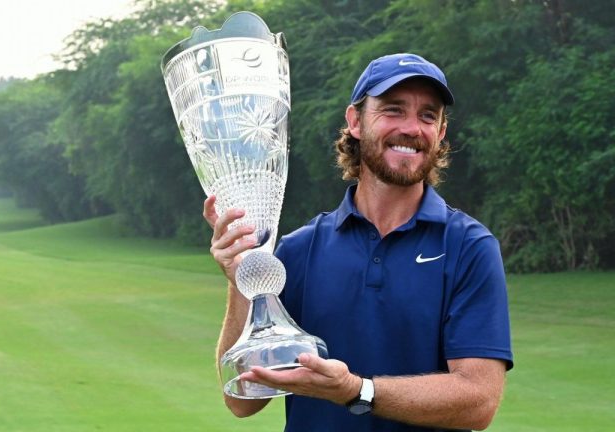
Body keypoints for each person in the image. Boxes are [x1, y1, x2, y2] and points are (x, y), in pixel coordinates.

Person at [204, 53, 513, 432]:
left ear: (441, 132)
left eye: (428, 115)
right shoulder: (299, 250)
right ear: (355, 121)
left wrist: (357, 391)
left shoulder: (469, 247)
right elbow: (241, 400)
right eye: (393, 110)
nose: (412, 128)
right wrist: (241, 281)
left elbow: (478, 402)